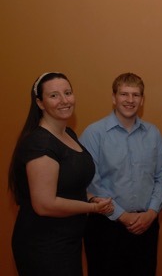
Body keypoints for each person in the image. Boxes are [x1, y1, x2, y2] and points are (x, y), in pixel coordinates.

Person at [8, 72, 113, 276]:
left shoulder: (68, 134)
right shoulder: (40, 143)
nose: (64, 100)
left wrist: (91, 196)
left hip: (68, 240)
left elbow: (68, 185)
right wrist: (92, 207)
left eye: (68, 93)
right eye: (54, 95)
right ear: (40, 103)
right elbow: (44, 204)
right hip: (43, 245)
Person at [79, 72, 162, 276]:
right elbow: (91, 183)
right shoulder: (94, 134)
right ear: (113, 98)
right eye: (124, 94)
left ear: (142, 100)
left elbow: (161, 177)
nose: (130, 100)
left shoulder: (153, 134)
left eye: (135, 95)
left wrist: (152, 213)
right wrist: (122, 216)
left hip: (146, 226)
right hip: (105, 227)